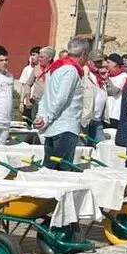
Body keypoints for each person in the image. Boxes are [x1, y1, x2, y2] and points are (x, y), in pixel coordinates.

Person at [35, 38, 92, 170]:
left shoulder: (55, 68)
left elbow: (46, 96)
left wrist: (42, 116)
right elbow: (61, 98)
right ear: (83, 54)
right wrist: (47, 118)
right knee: (62, 170)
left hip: (54, 127)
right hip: (65, 126)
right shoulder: (71, 71)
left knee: (50, 168)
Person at [23, 47, 55, 124]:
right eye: (39, 57)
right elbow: (28, 84)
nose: (39, 59)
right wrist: (27, 99)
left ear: (50, 58)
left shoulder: (55, 70)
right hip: (36, 103)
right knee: (35, 125)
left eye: (42, 57)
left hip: (49, 104)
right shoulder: (36, 69)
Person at [103, 53, 127, 129]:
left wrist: (106, 79)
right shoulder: (107, 74)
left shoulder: (123, 76)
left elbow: (114, 91)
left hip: (114, 114)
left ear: (115, 64)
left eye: (108, 62)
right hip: (104, 114)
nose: (106, 64)